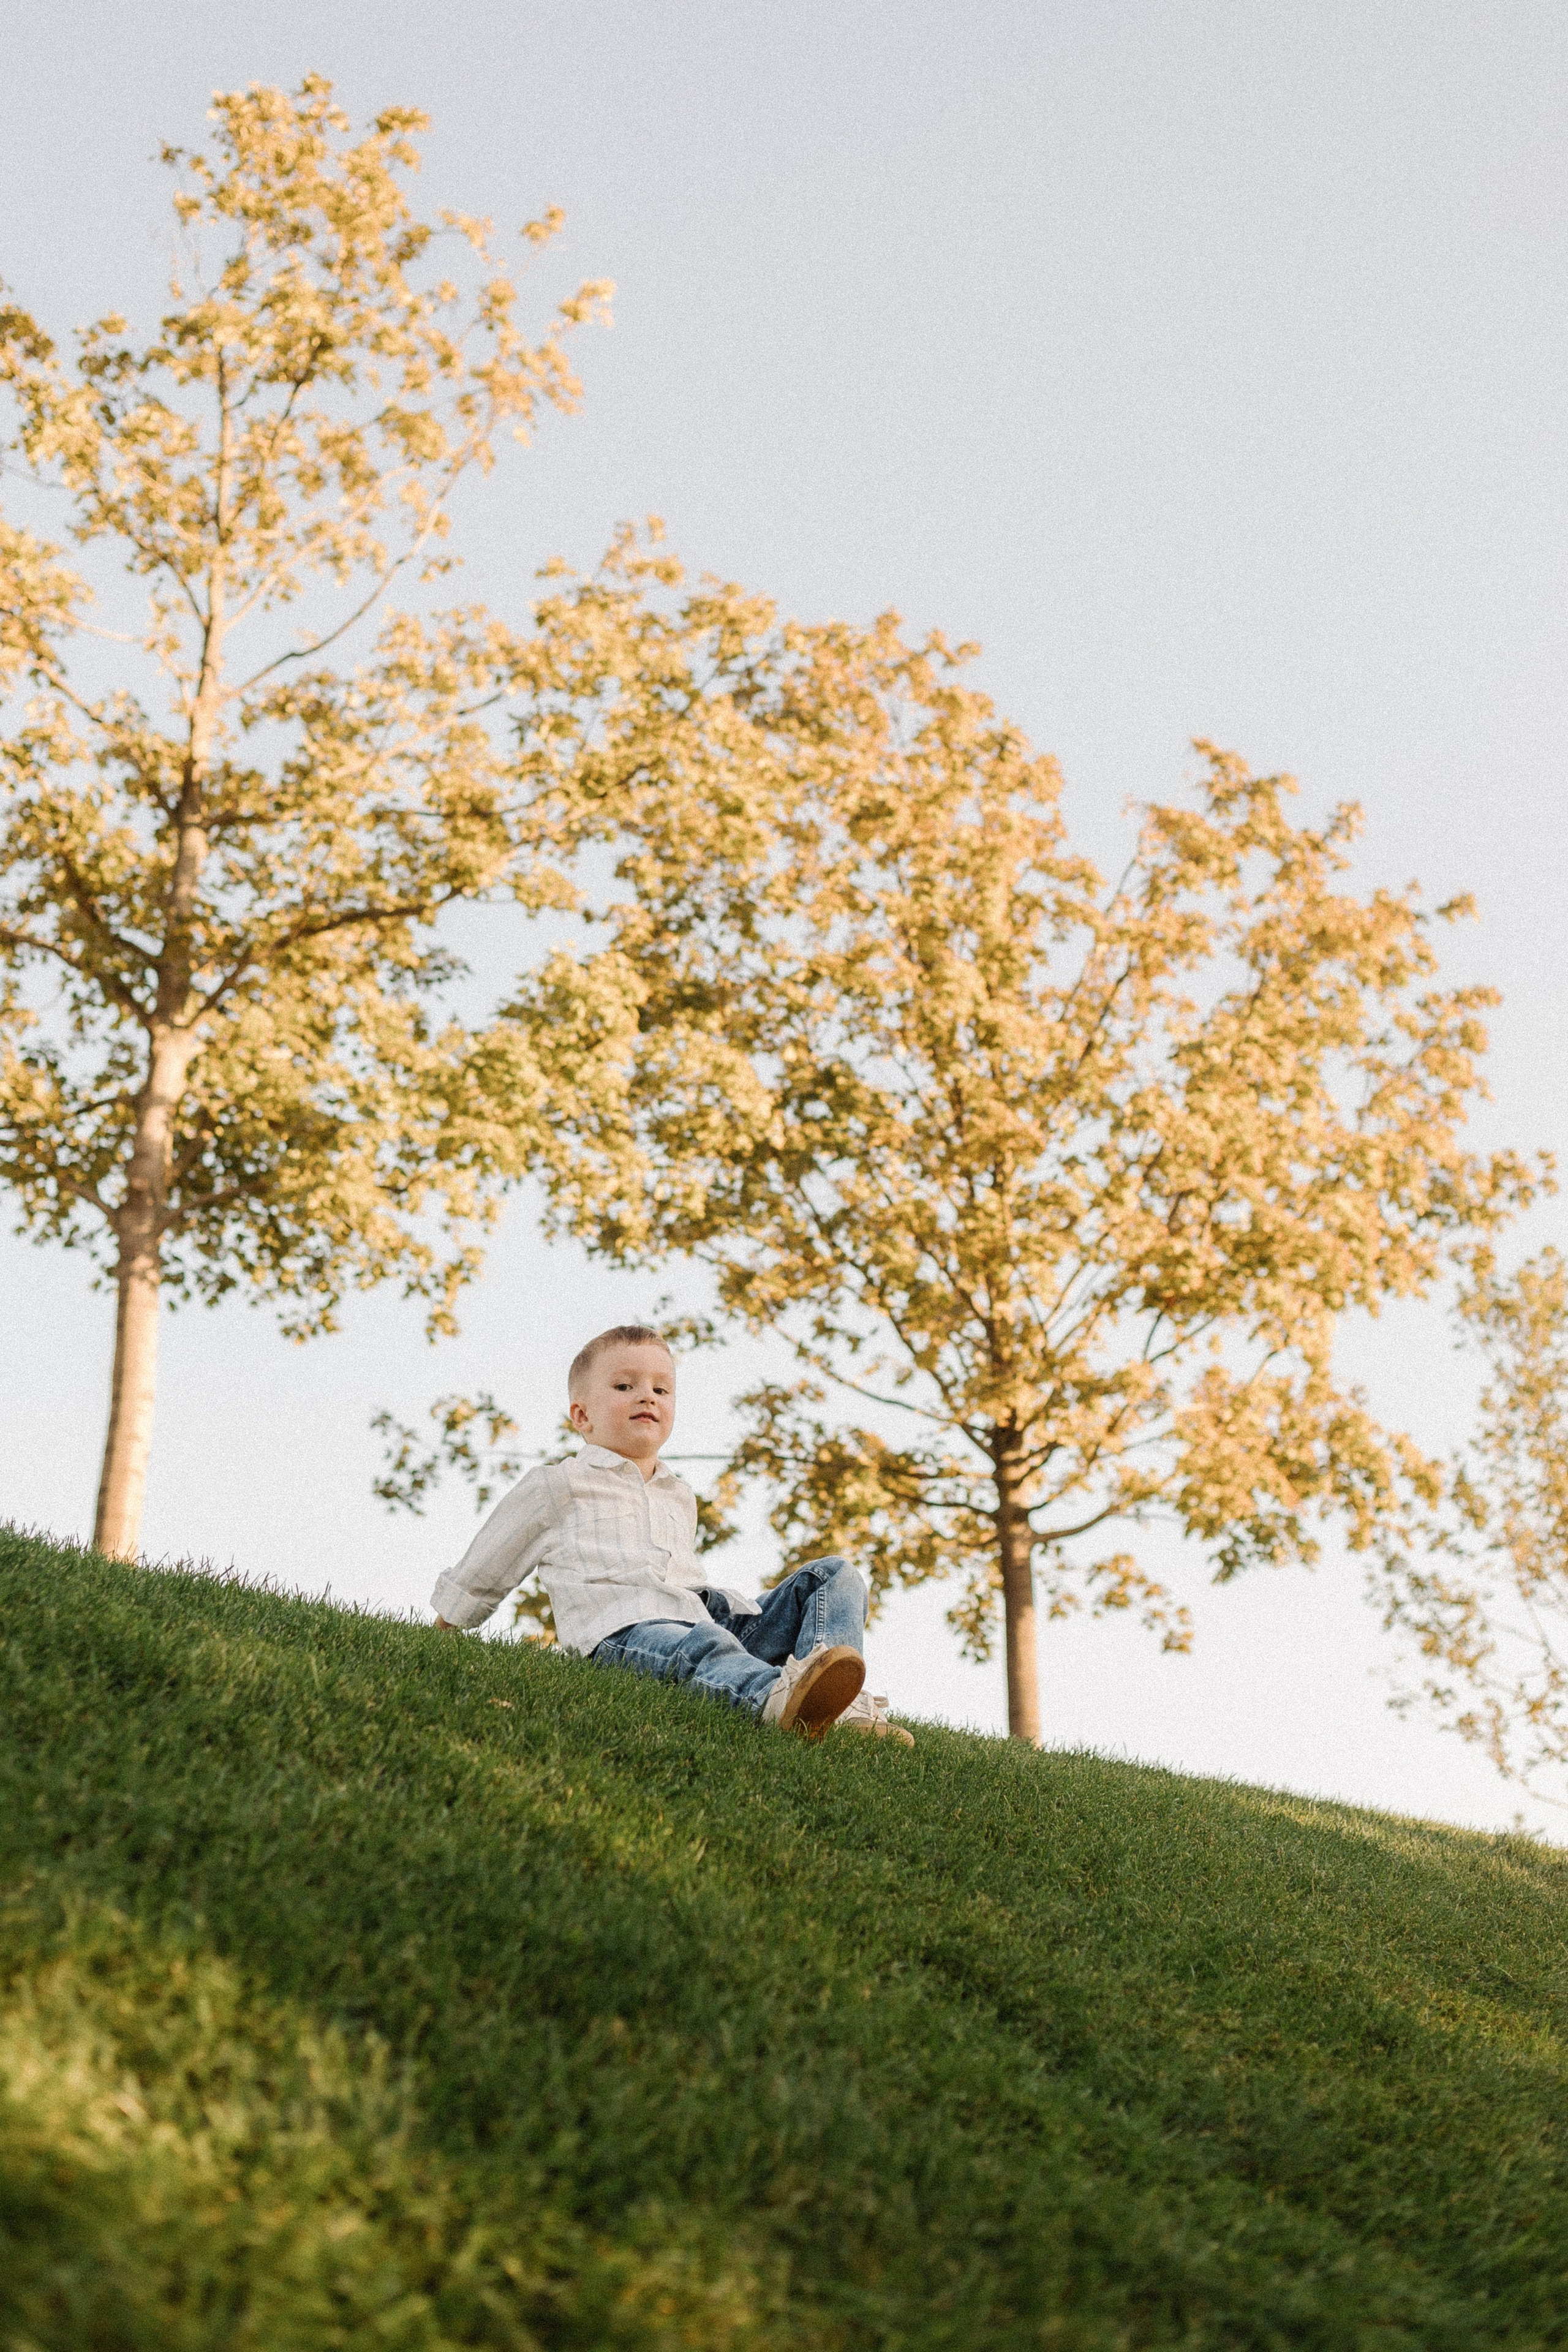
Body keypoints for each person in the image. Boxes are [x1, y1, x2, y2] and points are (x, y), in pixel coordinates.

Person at [430, 1323, 914, 1744]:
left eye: (662, 1390)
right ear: (583, 1416)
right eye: (624, 1386)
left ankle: (836, 1705)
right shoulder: (559, 1485)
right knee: (703, 1648)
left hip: (704, 1619)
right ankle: (773, 1698)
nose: (647, 1396)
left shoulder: (678, 1493)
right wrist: (446, 1627)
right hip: (625, 1634)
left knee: (832, 1576)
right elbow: (490, 1560)